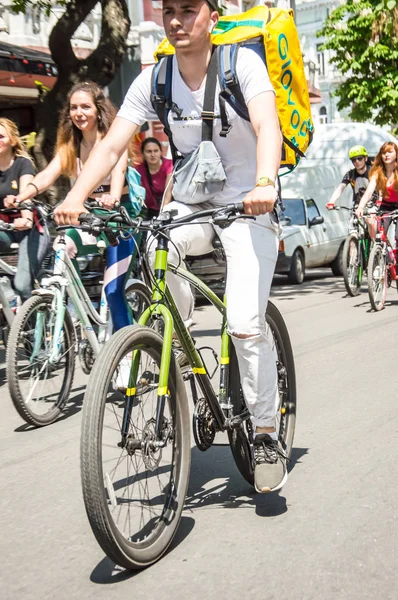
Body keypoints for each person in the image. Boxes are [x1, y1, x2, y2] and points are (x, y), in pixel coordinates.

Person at [53, 0, 285, 494]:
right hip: (194, 203)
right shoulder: (154, 79)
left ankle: (265, 431)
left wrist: (265, 181)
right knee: (163, 250)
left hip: (250, 204)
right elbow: (114, 145)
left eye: (189, 9)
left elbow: (268, 125)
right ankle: (177, 351)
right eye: (170, 11)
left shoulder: (241, 63)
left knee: (245, 321)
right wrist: (74, 196)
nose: (177, 20)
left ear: (212, 16)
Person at [5, 81, 139, 332]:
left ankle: (127, 353)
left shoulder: (113, 139)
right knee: (61, 247)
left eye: (85, 107)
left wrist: (112, 197)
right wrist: (22, 196)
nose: (79, 113)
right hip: (88, 217)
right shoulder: (71, 144)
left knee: (113, 290)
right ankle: (76, 310)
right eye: (74, 108)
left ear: (98, 109)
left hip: (119, 220)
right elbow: (48, 174)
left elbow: (119, 169)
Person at [0, 118, 49, 301]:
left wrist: (26, 218)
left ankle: (35, 323)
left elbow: (26, 195)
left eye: (1, 136)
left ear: (12, 140)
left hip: (31, 229)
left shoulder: (23, 164)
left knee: (22, 284)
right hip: (6, 230)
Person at [356, 142, 398, 241]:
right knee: (380, 236)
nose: (386, 155)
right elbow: (369, 192)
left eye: (390, 152)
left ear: (396, 154)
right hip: (385, 207)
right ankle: (380, 253)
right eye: (384, 153)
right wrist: (360, 207)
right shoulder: (378, 172)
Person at [326, 145, 374, 210]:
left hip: (373, 203)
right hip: (357, 204)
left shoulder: (373, 172)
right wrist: (331, 202)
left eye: (359, 158)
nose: (357, 161)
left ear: (365, 158)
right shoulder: (350, 174)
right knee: (352, 219)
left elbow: (370, 191)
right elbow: (340, 188)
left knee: (369, 219)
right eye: (353, 160)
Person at [136, 137, 173, 217]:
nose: (152, 155)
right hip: (149, 212)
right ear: (143, 153)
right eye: (149, 151)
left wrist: (162, 215)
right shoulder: (138, 170)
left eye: (156, 151)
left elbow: (168, 192)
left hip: (168, 209)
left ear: (160, 152)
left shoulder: (169, 165)